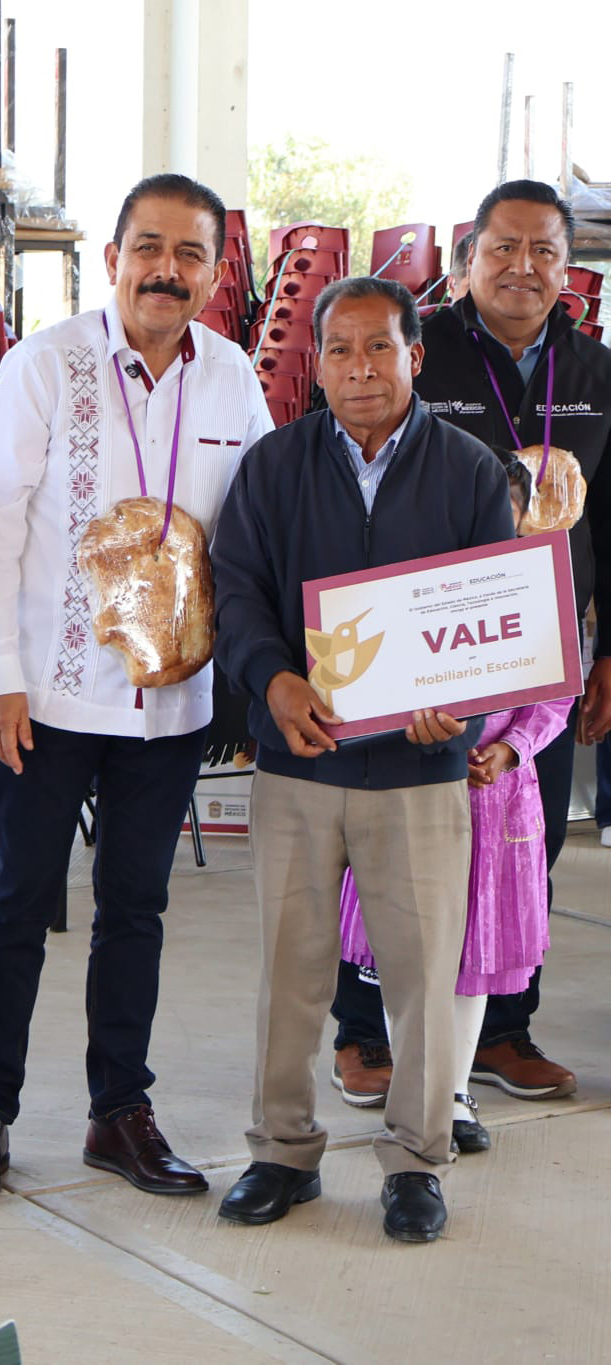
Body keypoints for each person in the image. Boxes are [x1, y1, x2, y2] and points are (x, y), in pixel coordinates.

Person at [0, 174, 273, 1203]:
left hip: (171, 704)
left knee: (136, 908)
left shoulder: (232, 379)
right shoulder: (44, 366)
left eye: (189, 254)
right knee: (16, 903)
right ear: (113, 258)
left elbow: (260, 525)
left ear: (214, 274)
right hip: (49, 698)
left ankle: (118, 1112)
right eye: (149, 248)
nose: (166, 270)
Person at [211, 275, 515, 1243]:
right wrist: (271, 681)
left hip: (420, 774)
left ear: (413, 356)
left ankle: (417, 1158)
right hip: (299, 762)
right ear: (317, 366)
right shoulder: (273, 465)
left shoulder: (470, 470)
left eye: (378, 346)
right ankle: (281, 1150)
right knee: (289, 971)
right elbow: (236, 591)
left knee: (422, 976)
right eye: (338, 350)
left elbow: (491, 614)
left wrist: (459, 709)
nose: (359, 369)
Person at [329, 180, 611, 1104]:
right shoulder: (416, 351)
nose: (522, 267)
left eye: (543, 251)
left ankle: (502, 1027)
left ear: (567, 268)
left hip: (536, 644)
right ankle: (364, 1031)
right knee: (387, 836)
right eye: (502, 247)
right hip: (422, 632)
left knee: (527, 833)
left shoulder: (595, 371)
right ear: (465, 260)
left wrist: (607, 651)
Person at [336, 451, 572, 1155]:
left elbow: (555, 693)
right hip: (408, 794)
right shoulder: (405, 588)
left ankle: (455, 1090)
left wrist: (510, 749)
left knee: (476, 949)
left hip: (496, 805)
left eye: (503, 514)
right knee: (404, 947)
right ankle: (416, 1086)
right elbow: (367, 684)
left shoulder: (536, 591)